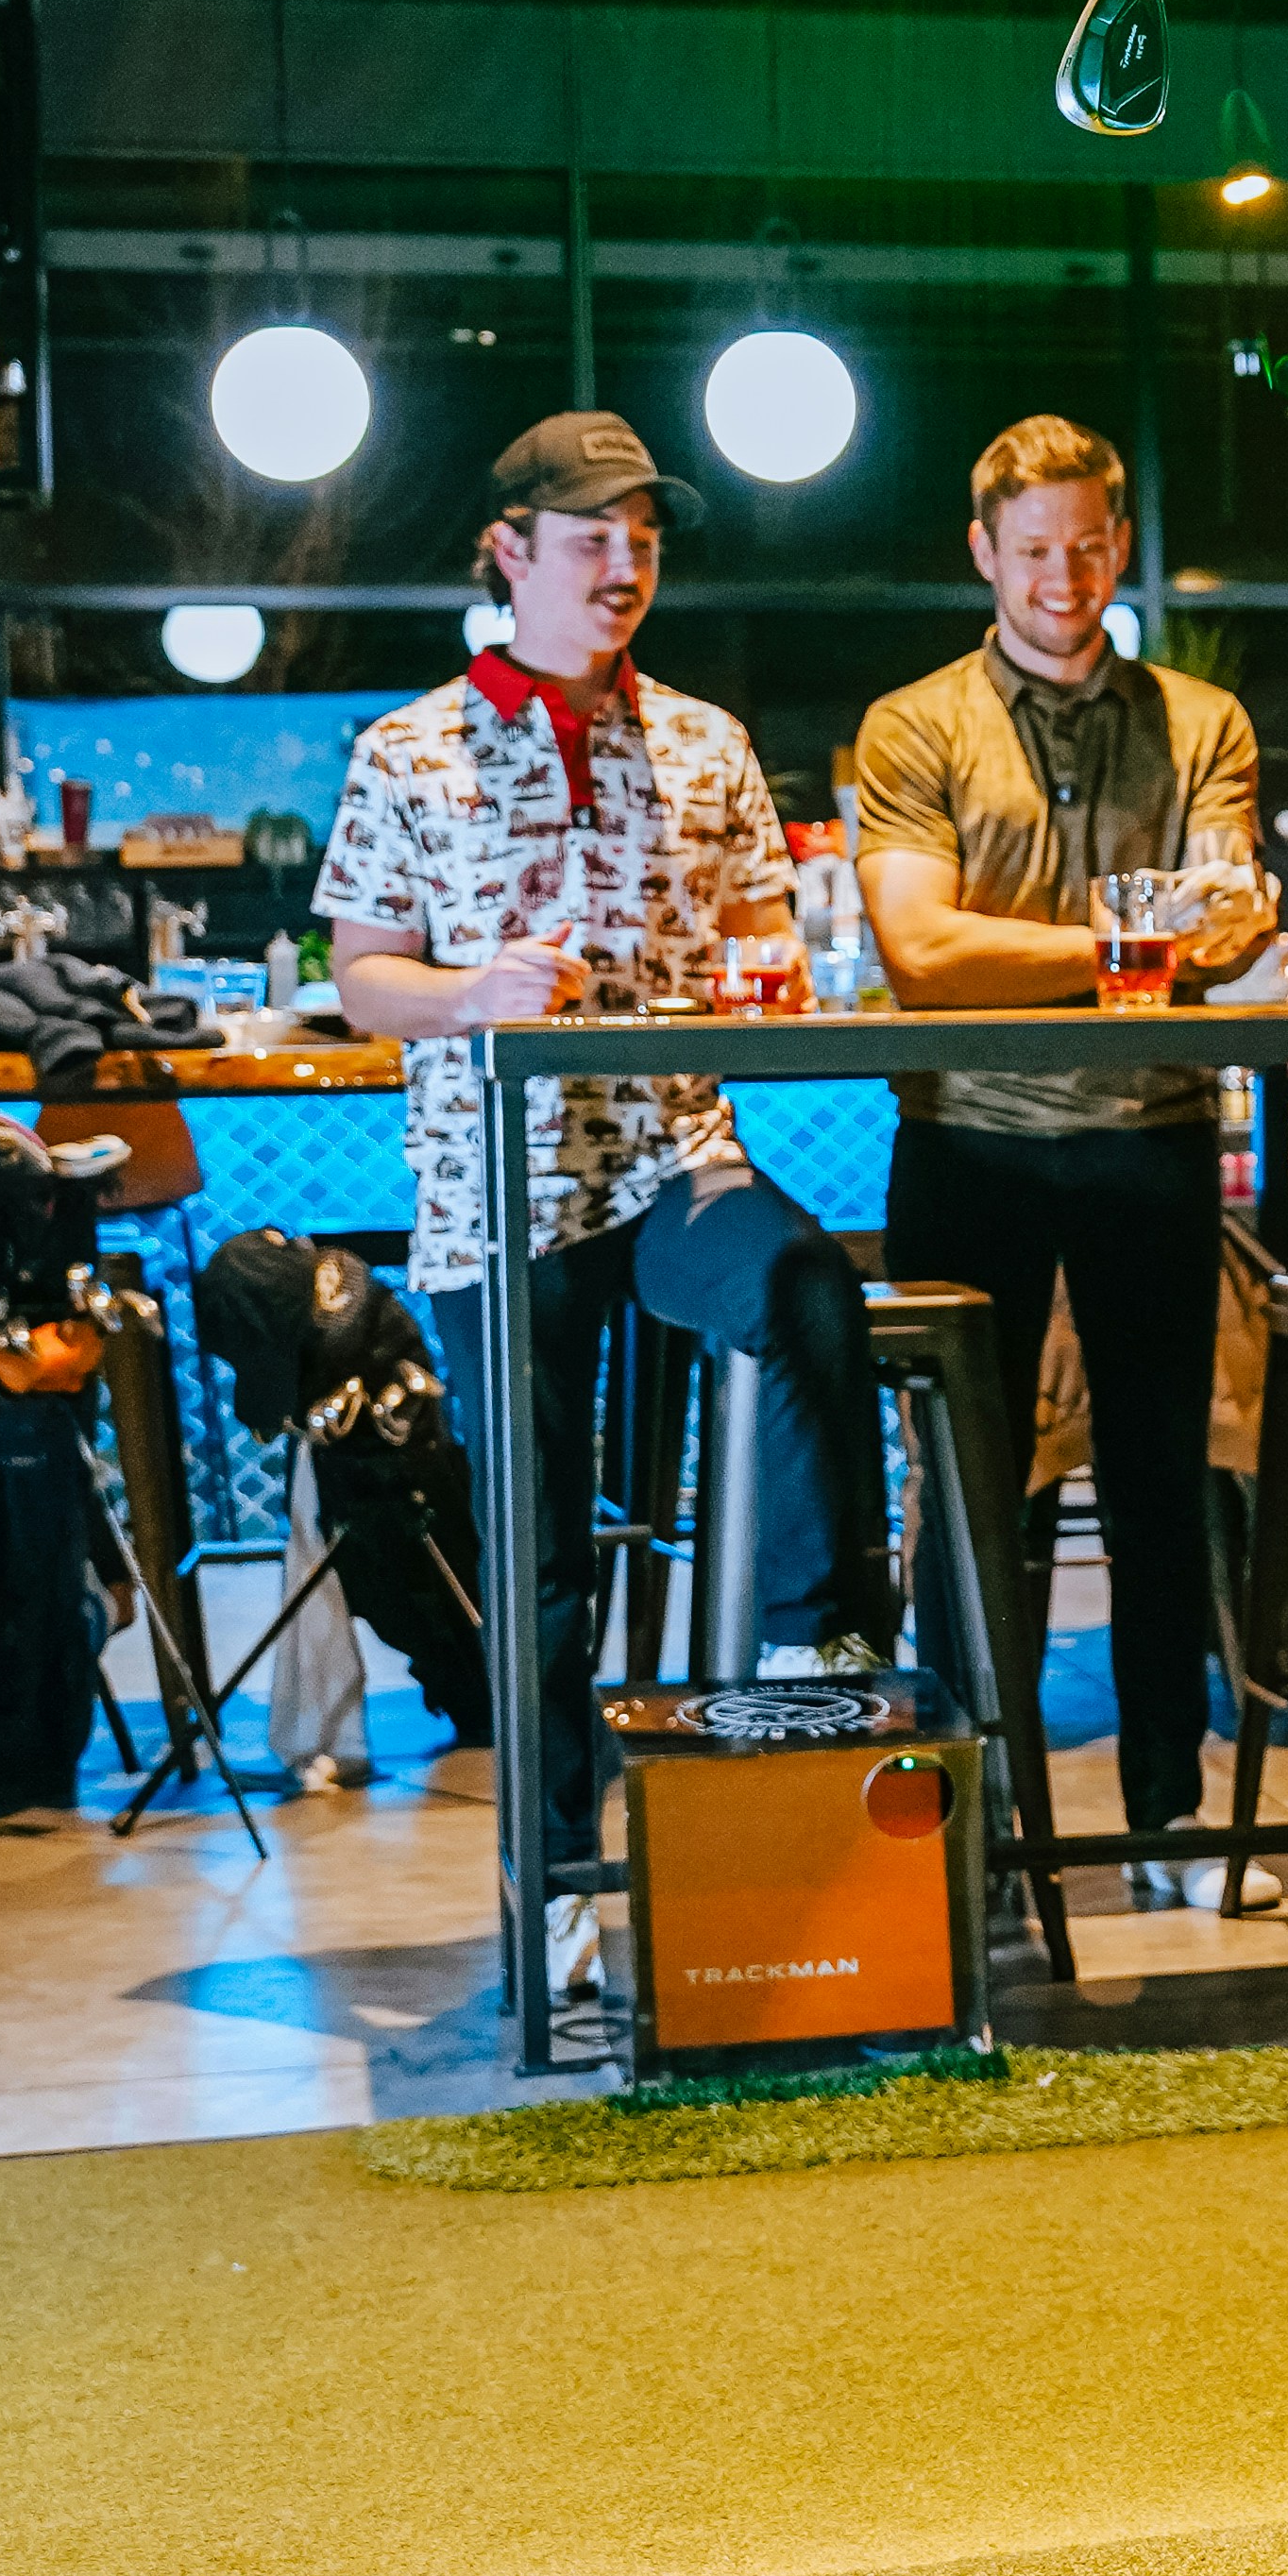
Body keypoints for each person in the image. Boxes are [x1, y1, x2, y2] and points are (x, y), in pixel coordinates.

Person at [321, 411, 903, 1992]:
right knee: (545, 1559)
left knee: (801, 1284)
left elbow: (765, 943)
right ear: (509, 549)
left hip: (668, 1155)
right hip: (491, 1184)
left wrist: (766, 994)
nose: (625, 562)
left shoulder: (708, 741)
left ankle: (811, 1637)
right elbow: (363, 979)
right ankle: (560, 1880)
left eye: (644, 535)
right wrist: (471, 997)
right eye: (591, 536)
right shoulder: (407, 749)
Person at [852, 412, 1282, 1915]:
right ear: (985, 552)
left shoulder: (1199, 721)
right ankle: (960, 1823)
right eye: (1036, 548)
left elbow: (1232, 929)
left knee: (1163, 1482)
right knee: (970, 1497)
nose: (1067, 574)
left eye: (1092, 543)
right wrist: (1129, 948)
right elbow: (920, 951)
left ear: (1118, 541)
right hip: (963, 1147)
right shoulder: (914, 725)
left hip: (1152, 1140)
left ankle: (1169, 1820)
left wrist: (1041, 954)